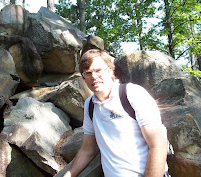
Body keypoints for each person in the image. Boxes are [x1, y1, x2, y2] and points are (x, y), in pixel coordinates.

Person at [63, 49, 168, 177]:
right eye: (88, 73)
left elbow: (159, 146)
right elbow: (87, 150)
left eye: (98, 70)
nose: (94, 77)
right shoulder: (90, 105)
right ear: (83, 77)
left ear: (111, 70)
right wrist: (68, 174)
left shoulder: (132, 94)